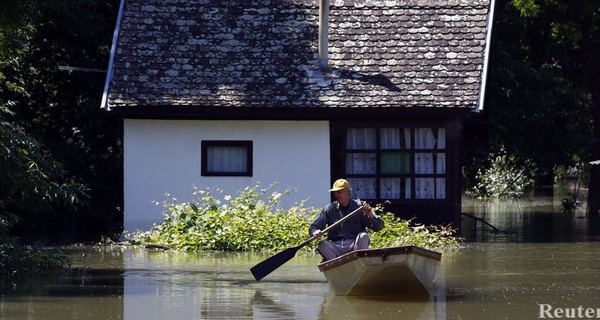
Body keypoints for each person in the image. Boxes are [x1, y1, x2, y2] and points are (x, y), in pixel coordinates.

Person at [309, 179, 385, 261]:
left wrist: (370, 214)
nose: (336, 195)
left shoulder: (360, 207)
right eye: (335, 192)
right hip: (336, 246)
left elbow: (379, 227)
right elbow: (314, 226)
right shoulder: (329, 209)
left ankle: (358, 261)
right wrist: (315, 231)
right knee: (322, 245)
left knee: (364, 236)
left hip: (354, 245)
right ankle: (337, 265)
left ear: (348, 192)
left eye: (339, 192)